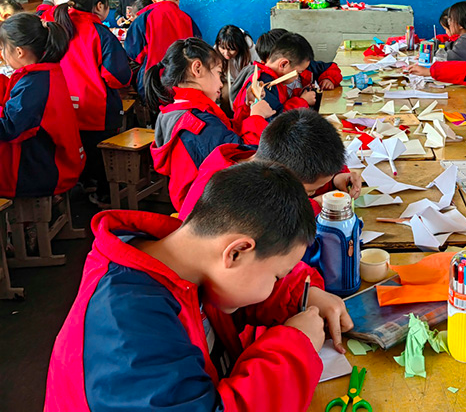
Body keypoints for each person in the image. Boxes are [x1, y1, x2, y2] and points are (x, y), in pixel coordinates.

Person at [44, 161, 353, 411]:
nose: (275, 285)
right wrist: (295, 348)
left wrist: (302, 295)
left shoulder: (182, 260)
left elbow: (231, 290)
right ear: (235, 252)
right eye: (276, 277)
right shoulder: (128, 328)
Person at [146, 38, 273, 211]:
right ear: (197, 69)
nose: (221, 83)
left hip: (201, 201)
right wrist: (257, 118)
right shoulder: (196, 123)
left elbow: (228, 135)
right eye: (219, 73)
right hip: (208, 210)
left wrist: (247, 108)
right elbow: (245, 162)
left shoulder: (180, 110)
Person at [180, 108, 361, 220]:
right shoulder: (227, 200)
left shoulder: (267, 157)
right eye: (310, 190)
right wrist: (313, 206)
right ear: (281, 177)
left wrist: (336, 179)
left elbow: (304, 171)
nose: (312, 193)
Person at [54, 0, 132, 202]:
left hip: (64, 106)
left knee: (76, 150)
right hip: (96, 108)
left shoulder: (58, 27)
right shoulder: (99, 33)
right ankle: (103, 195)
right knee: (101, 155)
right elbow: (117, 76)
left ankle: (83, 186)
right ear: (100, 6)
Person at [0, 14, 84, 198]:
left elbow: (9, 129)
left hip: (46, 171)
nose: (2, 54)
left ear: (19, 51)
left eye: (2, 48)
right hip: (54, 161)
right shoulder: (45, 71)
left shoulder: (34, 84)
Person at [125, 0, 202, 98]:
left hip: (151, 86)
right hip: (183, 86)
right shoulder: (187, 20)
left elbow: (134, 54)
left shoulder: (143, 19)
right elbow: (198, 51)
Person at [232, 32, 316, 128]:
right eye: (298, 73)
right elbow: (276, 123)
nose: (297, 78)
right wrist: (302, 101)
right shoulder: (264, 84)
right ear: (283, 64)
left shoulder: (275, 79)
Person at [215, 25, 258, 115]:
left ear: (239, 46)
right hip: (226, 80)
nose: (226, 53)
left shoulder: (249, 48)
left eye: (231, 50)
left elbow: (258, 67)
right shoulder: (216, 49)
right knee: (226, 95)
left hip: (244, 81)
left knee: (244, 99)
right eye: (223, 48)